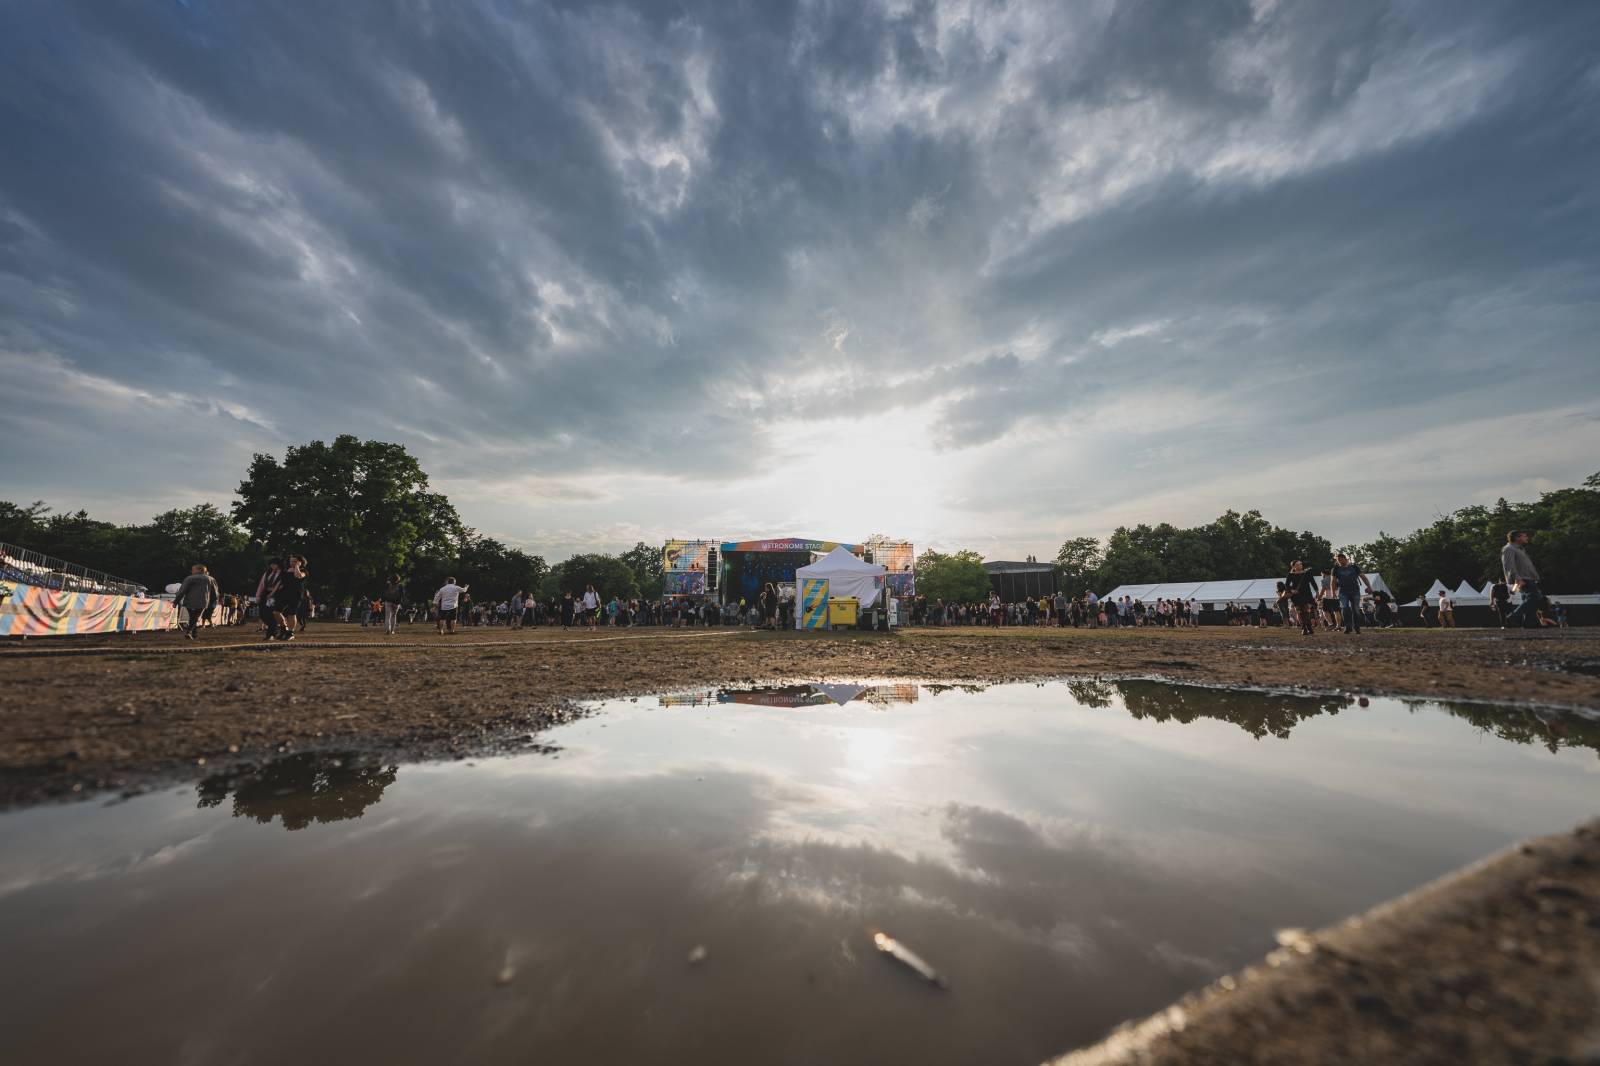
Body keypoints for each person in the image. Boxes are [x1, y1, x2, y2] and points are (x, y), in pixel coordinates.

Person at [1502, 530, 1546, 629]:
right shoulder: (1509, 549)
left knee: (1529, 599)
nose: (1527, 538)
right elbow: (1509, 565)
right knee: (1535, 598)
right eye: (1524, 536)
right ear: (1517, 538)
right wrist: (1517, 579)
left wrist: (1535, 577)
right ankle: (1513, 617)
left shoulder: (1520, 549)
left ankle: (1529, 622)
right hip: (1522, 579)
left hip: (1528, 578)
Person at [1330, 554, 1374, 634]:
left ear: (1345, 559)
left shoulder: (1354, 567)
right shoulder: (1335, 569)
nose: (1339, 561)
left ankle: (1357, 627)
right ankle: (1348, 626)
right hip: (1342, 592)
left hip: (1355, 591)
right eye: (1337, 560)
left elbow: (1363, 577)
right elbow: (1333, 581)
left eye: (1340, 559)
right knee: (1345, 608)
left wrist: (1369, 587)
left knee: (1355, 610)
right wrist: (1333, 593)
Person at [174, 564, 220, 641]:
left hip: (189, 602)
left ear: (199, 570)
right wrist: (213, 603)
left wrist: (176, 601)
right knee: (195, 617)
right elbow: (215, 593)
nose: (191, 571)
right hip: (203, 602)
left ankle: (193, 633)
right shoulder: (211, 579)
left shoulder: (189, 578)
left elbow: (182, 591)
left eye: (193, 569)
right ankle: (189, 632)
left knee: (193, 617)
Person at [269, 556, 307, 641]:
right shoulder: (286, 570)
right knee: (276, 611)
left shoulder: (304, 571)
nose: (292, 563)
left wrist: (297, 567)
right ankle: (284, 629)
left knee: (291, 613)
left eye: (294, 561)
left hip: (296, 595)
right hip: (284, 594)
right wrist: (272, 593)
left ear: (300, 562)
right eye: (291, 561)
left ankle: (290, 633)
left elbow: (298, 576)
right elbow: (280, 582)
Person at [1283, 561, 1319, 636]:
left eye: (1301, 564)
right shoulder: (1290, 574)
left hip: (1307, 594)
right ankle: (1304, 628)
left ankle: (1309, 627)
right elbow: (1286, 585)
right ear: (1293, 567)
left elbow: (1313, 582)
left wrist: (1317, 591)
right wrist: (1291, 590)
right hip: (1296, 595)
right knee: (1299, 612)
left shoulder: (1307, 573)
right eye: (1298, 564)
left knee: (1306, 611)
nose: (1300, 565)